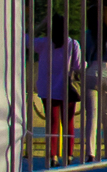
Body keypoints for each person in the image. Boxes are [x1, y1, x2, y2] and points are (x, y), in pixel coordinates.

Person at [32, 12, 86, 161]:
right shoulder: (73, 44)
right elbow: (79, 66)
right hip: (66, 88)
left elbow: (25, 39)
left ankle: (53, 155)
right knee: (68, 122)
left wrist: (41, 25)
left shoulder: (43, 43)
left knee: (52, 123)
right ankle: (69, 154)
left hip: (47, 88)